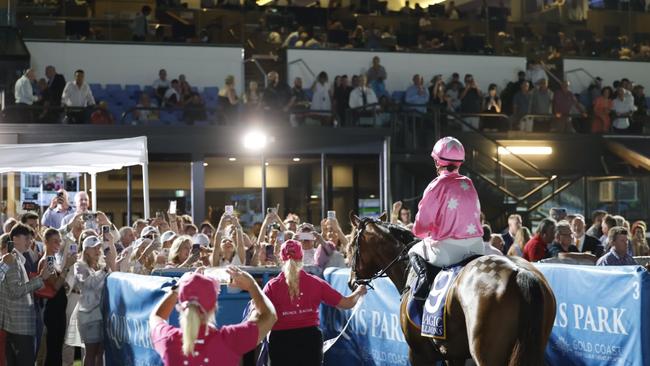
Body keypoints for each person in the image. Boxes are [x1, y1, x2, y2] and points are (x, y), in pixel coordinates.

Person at [263, 240, 366, 365]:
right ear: (302, 257)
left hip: (280, 340)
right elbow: (347, 303)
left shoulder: (272, 286)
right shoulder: (315, 282)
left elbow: (260, 314)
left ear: (281, 258)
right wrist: (359, 291)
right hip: (310, 339)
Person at [408, 137, 485, 300]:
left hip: (448, 251)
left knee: (413, 250)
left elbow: (421, 226)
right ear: (460, 162)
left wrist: (420, 232)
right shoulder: (469, 182)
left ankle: (422, 288)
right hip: (478, 247)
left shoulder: (436, 184)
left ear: (437, 162)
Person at [150, 268, 276, 366]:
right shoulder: (229, 340)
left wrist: (177, 288)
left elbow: (156, 317)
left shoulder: (168, 340)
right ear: (214, 307)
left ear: (182, 305)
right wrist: (251, 285)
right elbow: (269, 316)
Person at [0, 224, 53, 366]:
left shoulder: (17, 259)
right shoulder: (12, 260)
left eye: (31, 238)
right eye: (27, 238)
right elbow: (15, 291)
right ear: (15, 239)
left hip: (17, 325)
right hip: (18, 326)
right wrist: (41, 278)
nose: (30, 242)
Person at [70, 235, 116, 366]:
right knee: (91, 352)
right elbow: (89, 283)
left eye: (99, 247)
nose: (98, 250)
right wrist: (105, 269)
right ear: (86, 251)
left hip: (102, 314)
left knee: (100, 352)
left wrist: (109, 264)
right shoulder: (79, 266)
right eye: (94, 248)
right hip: (88, 315)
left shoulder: (101, 265)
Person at [38, 228, 76, 366]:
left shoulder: (53, 259)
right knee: (54, 350)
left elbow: (58, 284)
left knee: (56, 348)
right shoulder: (48, 260)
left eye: (59, 241)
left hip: (58, 309)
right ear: (46, 242)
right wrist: (67, 266)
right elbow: (55, 286)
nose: (58, 244)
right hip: (53, 309)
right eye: (54, 241)